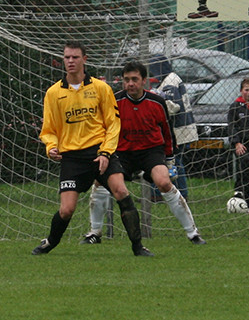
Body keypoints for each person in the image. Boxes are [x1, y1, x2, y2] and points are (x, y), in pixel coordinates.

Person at [31, 42, 153, 257]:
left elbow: (113, 124)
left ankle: (138, 246)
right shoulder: (53, 93)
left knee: (121, 191)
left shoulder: (100, 88)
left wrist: (106, 152)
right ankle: (50, 241)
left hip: (99, 152)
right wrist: (51, 147)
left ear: (84, 60)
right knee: (66, 210)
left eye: (75, 57)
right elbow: (48, 130)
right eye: (67, 57)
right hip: (72, 157)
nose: (70, 61)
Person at [85, 61, 206, 245]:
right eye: (126, 80)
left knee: (164, 182)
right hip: (122, 152)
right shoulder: (115, 101)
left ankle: (193, 233)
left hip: (151, 152)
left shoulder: (156, 102)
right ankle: (94, 232)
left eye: (134, 79)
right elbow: (104, 129)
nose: (130, 84)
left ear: (144, 81)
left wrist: (170, 159)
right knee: (99, 180)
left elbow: (167, 132)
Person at [154, 58, 198, 200]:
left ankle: (182, 194)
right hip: (180, 129)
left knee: (175, 162)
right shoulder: (170, 78)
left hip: (179, 131)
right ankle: (158, 193)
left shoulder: (170, 81)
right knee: (166, 161)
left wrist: (159, 99)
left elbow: (174, 107)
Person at [227, 77, 249, 208]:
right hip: (241, 145)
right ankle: (241, 199)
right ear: (241, 91)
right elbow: (232, 126)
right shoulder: (235, 107)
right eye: (247, 90)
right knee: (244, 167)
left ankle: (245, 198)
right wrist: (237, 143)